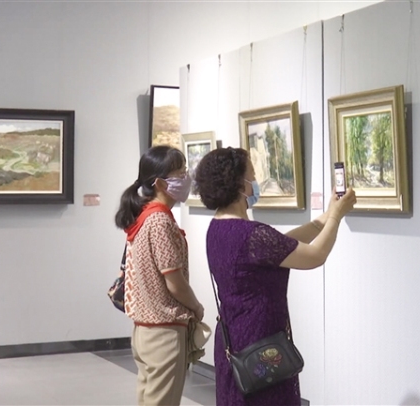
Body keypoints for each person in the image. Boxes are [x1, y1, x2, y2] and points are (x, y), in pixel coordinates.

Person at [193, 147, 356, 405]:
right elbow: (315, 256)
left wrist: (324, 218)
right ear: (239, 185)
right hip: (261, 346)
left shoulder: (217, 228)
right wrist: (337, 215)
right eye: (252, 175)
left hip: (233, 343)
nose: (255, 181)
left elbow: (280, 246)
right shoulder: (251, 235)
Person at [114, 145, 205, 406]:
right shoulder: (160, 222)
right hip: (164, 332)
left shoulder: (143, 217)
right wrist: (196, 307)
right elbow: (174, 282)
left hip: (144, 330)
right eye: (180, 173)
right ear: (161, 183)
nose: (186, 178)